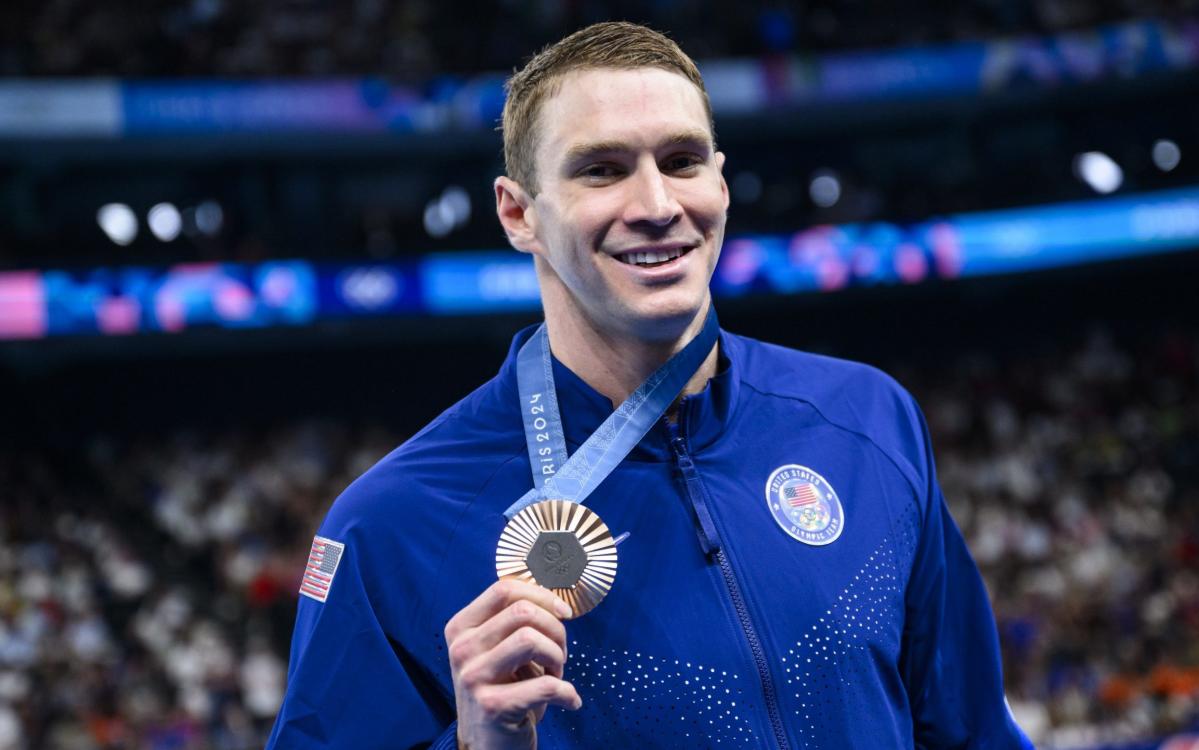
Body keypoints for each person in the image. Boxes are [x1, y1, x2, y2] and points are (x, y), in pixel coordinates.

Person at [266, 21, 1033, 750]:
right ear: (517, 213)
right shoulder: (394, 526)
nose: (657, 206)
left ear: (721, 184)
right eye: (601, 170)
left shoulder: (865, 421)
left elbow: (970, 731)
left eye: (680, 160)